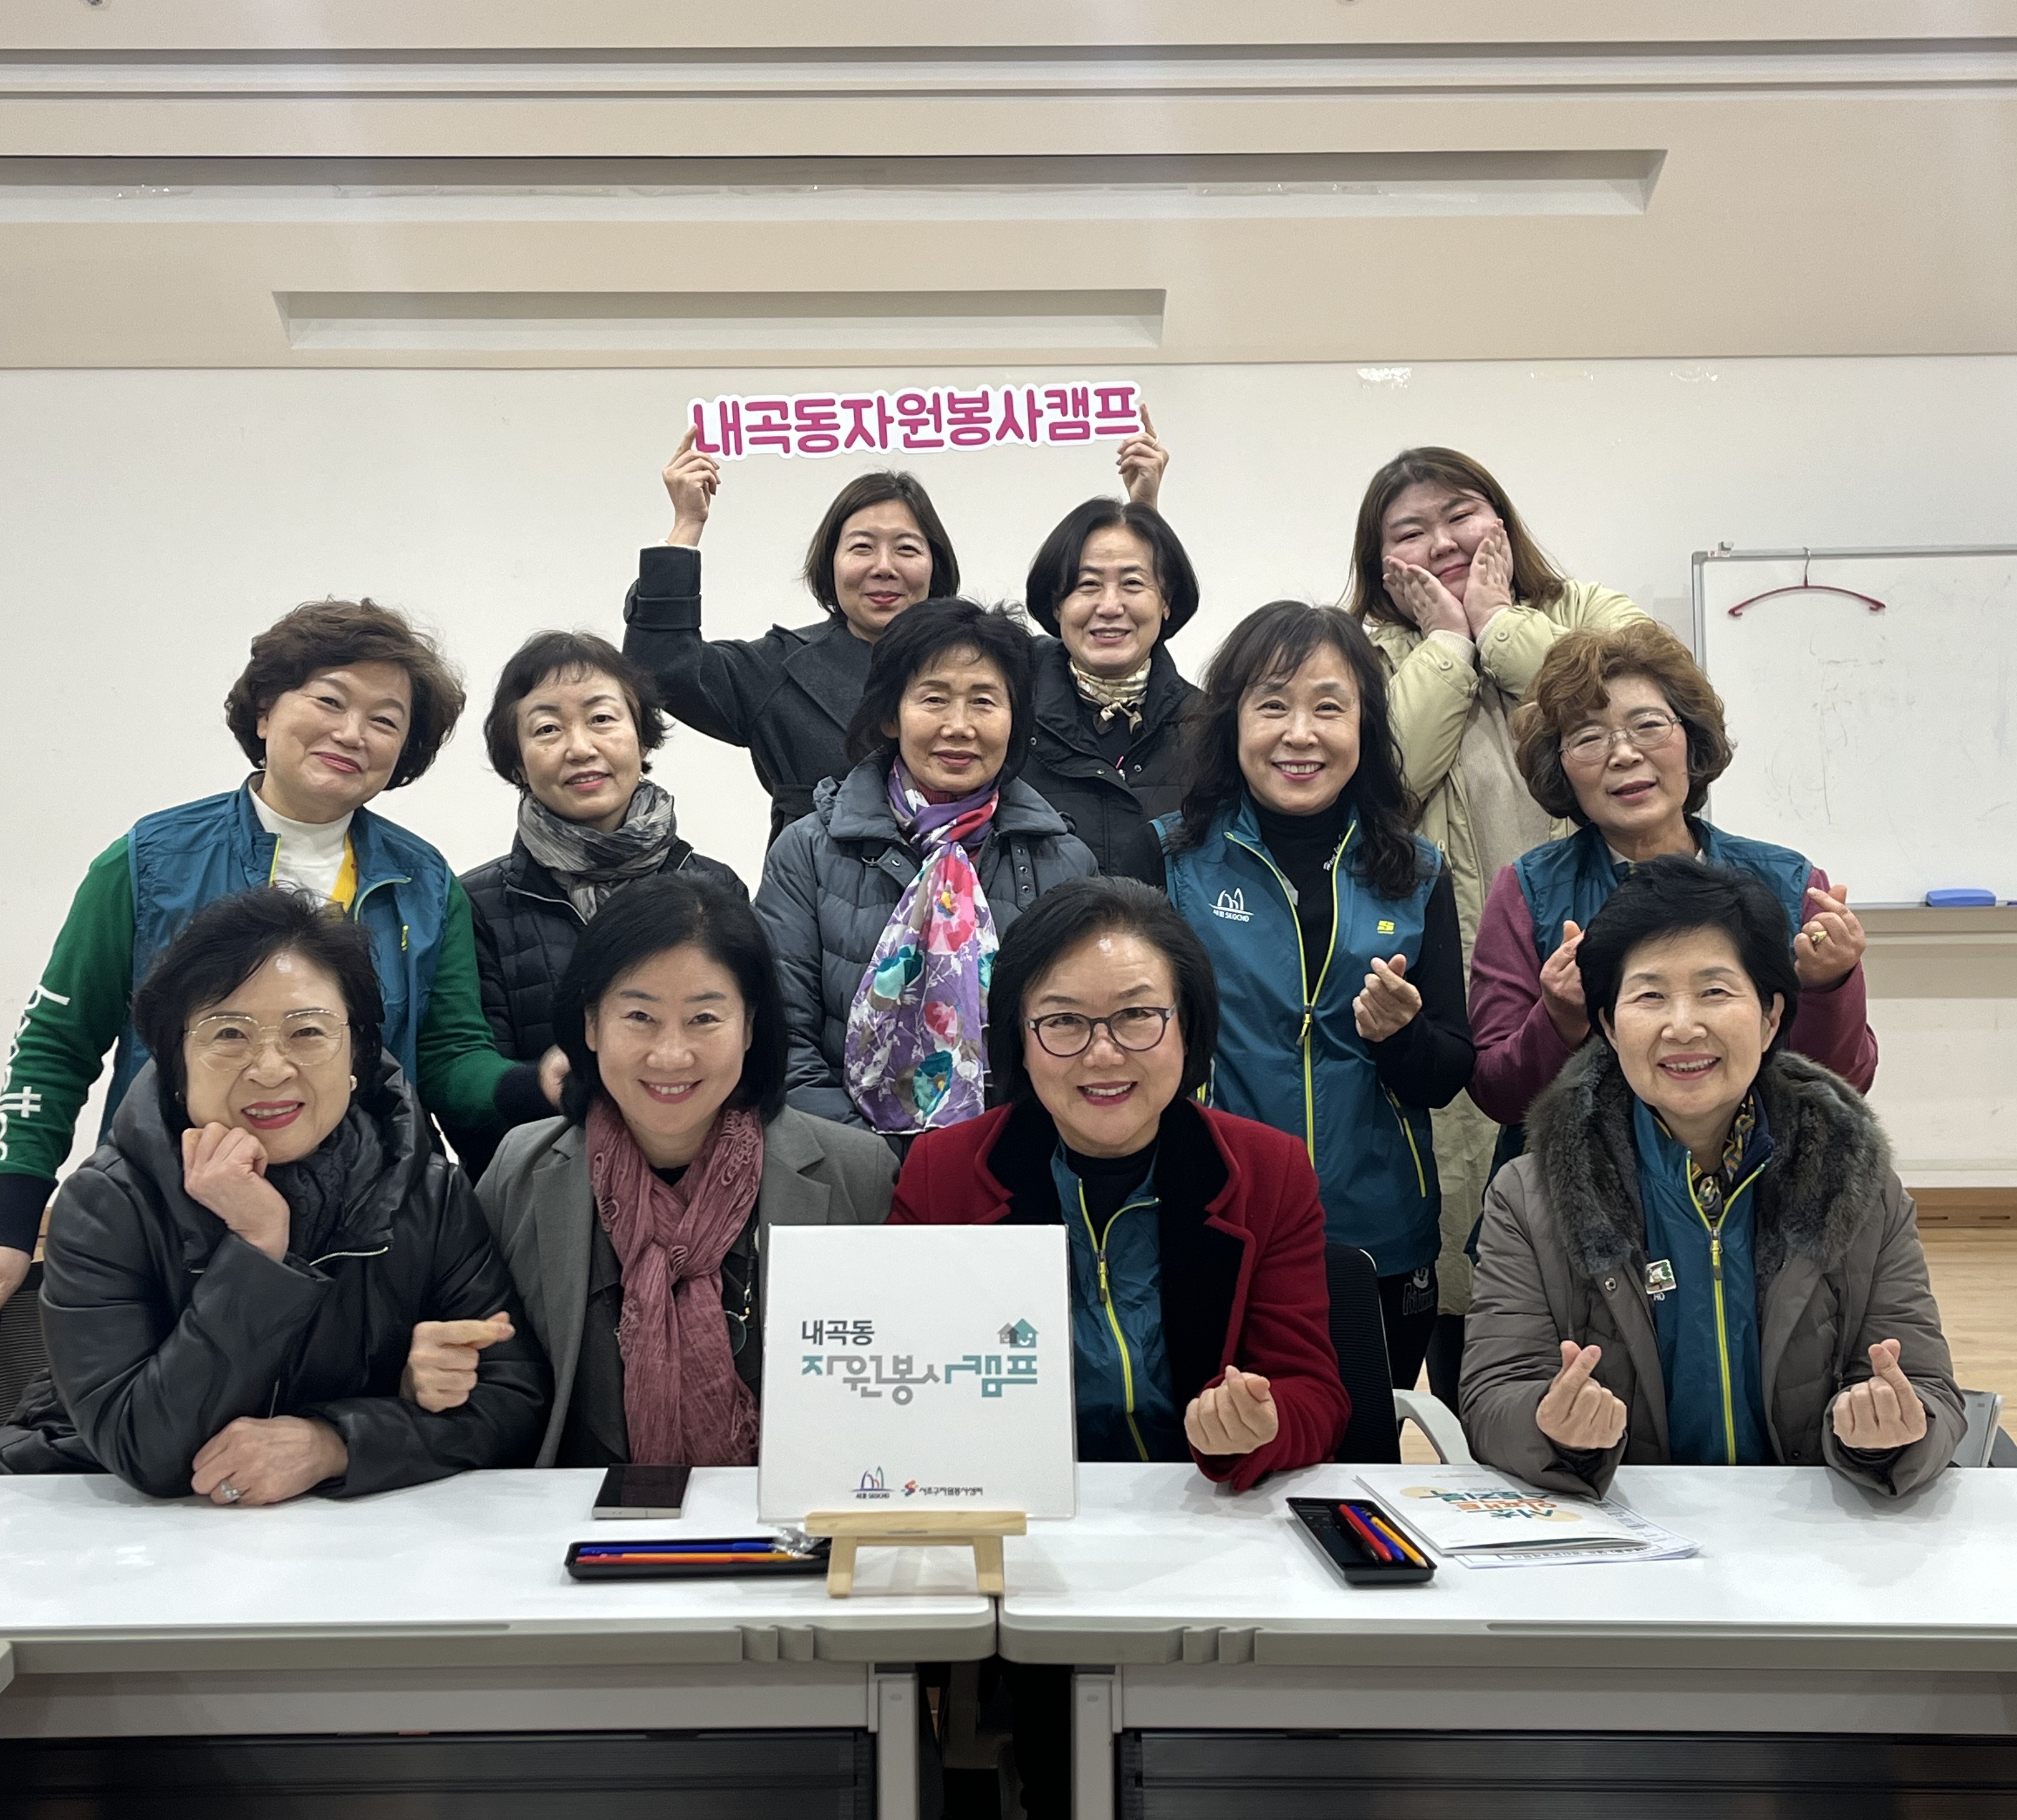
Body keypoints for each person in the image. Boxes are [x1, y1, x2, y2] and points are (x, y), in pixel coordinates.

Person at [0, 600, 536, 1356]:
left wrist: (542, 1086)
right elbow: (57, 1043)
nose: (353, 732)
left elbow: (449, 1059)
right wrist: (10, 1229)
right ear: (264, 710)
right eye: (329, 700)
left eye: (386, 720)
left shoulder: (426, 881)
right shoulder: (148, 862)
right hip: (171, 1215)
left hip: (365, 1230)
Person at [888, 877, 1344, 1820]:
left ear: (1188, 1027)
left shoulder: (1266, 1171)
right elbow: (909, 1402)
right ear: (1018, 1039)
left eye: (1137, 1016)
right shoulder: (943, 1174)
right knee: (1071, 1756)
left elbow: (1315, 1392)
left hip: (1213, 1537)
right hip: (1032, 1552)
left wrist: (1257, 1425)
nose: (1103, 1054)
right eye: (1063, 1022)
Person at [0, 887, 552, 1500]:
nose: (271, 1068)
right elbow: (145, 1450)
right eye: (228, 1034)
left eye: (308, 1032)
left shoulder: (427, 1192)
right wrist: (256, 1249)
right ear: (176, 1062)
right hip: (103, 1523)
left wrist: (336, 1442)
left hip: (346, 1538)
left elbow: (514, 1400)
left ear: (357, 1051)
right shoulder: (108, 1204)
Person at [1460, 857, 1958, 1496]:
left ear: (1771, 1017)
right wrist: (1550, 1428)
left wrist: (1889, 1434)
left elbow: (1929, 1391)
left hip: (1807, 1529)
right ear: (1608, 1026)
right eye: (1650, 996)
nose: (1683, 1026)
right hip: (1629, 1525)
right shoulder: (1531, 1197)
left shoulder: (1853, 1180)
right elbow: (1494, 1396)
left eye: (1716, 992)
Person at [1344, 446, 1653, 1409]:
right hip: (1442, 990)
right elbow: (1384, 783)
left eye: (1461, 514)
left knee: (1616, 1244)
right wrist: (1447, 646)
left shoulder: (1590, 613)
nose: (1442, 542)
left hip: (1604, 971)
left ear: (1503, 519)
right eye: (1410, 531)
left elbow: (1633, 720)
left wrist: (1501, 628)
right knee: (1467, 1256)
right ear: (1378, 560)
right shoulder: (1364, 654)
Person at [464, 876, 897, 1466]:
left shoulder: (856, 1174)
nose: (671, 1054)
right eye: (640, 1016)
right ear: (591, 1026)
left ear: (749, 1027)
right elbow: (491, 1384)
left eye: (704, 1019)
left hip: (785, 1515)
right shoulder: (521, 1172)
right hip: (573, 1515)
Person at [1158, 602, 1472, 1387]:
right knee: (1224, 1445)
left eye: (1329, 708)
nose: (1300, 734)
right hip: (1215, 1219)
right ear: (1232, 722)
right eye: (1273, 706)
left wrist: (1400, 1036)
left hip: (1380, 1235)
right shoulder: (1170, 861)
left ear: (1365, 725)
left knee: (1365, 1444)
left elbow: (1447, 1070)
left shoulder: (1418, 872)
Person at [625, 419, 1168, 857]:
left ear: (935, 563)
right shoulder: (780, 669)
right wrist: (685, 527)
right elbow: (661, 672)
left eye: (906, 549)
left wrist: (1141, 519)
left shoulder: (1005, 658)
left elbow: (1115, 647)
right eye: (862, 548)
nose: (884, 567)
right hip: (825, 918)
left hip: (983, 907)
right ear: (830, 563)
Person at [1469, 621, 1877, 1130]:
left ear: (1691, 738)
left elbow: (1846, 1084)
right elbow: (1497, 1095)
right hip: (1580, 1172)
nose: (1624, 755)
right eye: (1589, 738)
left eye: (1648, 725)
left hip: (1757, 1168)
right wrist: (1558, 1020)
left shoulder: (1789, 883)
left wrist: (1829, 986)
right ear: (1561, 766)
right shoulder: (1528, 891)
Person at [756, 597, 1097, 1137]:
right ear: (890, 715)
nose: (959, 726)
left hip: (1016, 1163)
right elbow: (782, 1042)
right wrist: (874, 1163)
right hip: (850, 1164)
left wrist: (995, 1162)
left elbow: (1082, 1042)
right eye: (934, 699)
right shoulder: (807, 853)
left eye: (984, 702)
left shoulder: (1065, 861)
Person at [452, 631, 749, 1178]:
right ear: (517, 763)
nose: (580, 747)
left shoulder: (713, 886)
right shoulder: (477, 904)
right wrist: (543, 1085)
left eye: (602, 719)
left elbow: (749, 1047)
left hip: (704, 1175)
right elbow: (465, 1084)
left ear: (643, 738)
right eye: (547, 729)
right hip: (544, 1183)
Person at [1018, 496, 1201, 885]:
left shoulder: (1210, 728)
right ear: (1056, 605)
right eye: (1088, 585)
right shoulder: (1010, 721)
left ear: (1166, 601)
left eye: (1132, 583)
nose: (1110, 606)